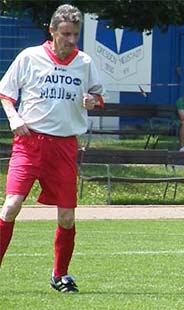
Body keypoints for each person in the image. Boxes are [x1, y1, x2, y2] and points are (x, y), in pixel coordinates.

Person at [0, 4, 105, 293]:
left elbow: (97, 95)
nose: (71, 40)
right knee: (11, 206)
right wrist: (14, 118)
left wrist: (92, 100)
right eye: (66, 34)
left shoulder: (83, 62)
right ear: (52, 31)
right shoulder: (29, 57)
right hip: (30, 143)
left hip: (64, 147)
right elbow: (6, 92)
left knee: (67, 215)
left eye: (75, 34)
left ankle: (60, 274)